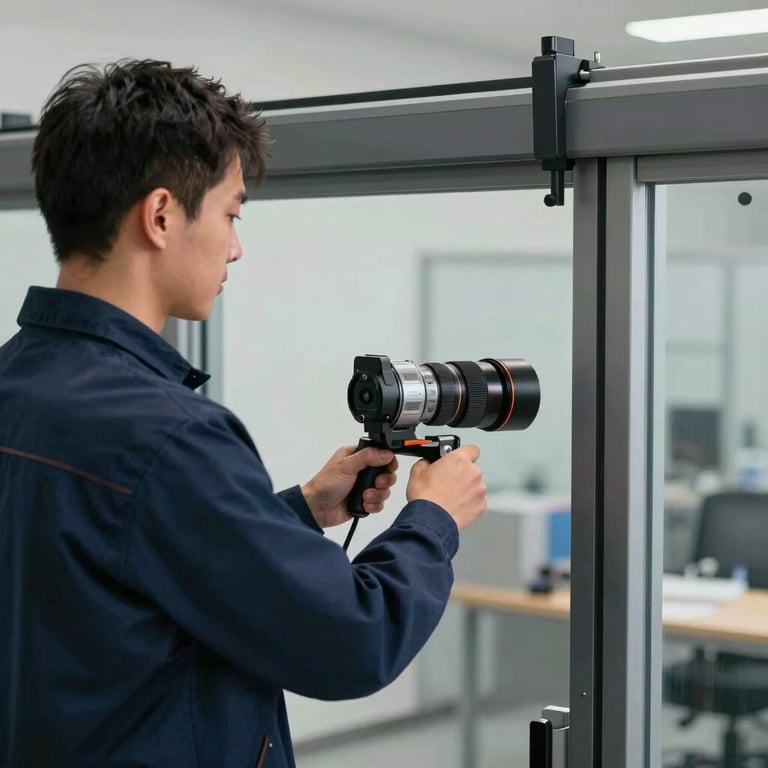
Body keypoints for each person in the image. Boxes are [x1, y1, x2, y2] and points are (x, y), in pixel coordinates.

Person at [0, 59, 487, 768]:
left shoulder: (16, 382)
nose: (236, 246)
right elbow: (353, 641)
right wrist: (433, 520)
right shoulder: (170, 435)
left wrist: (295, 511)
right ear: (161, 216)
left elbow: (112, 566)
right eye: (230, 213)